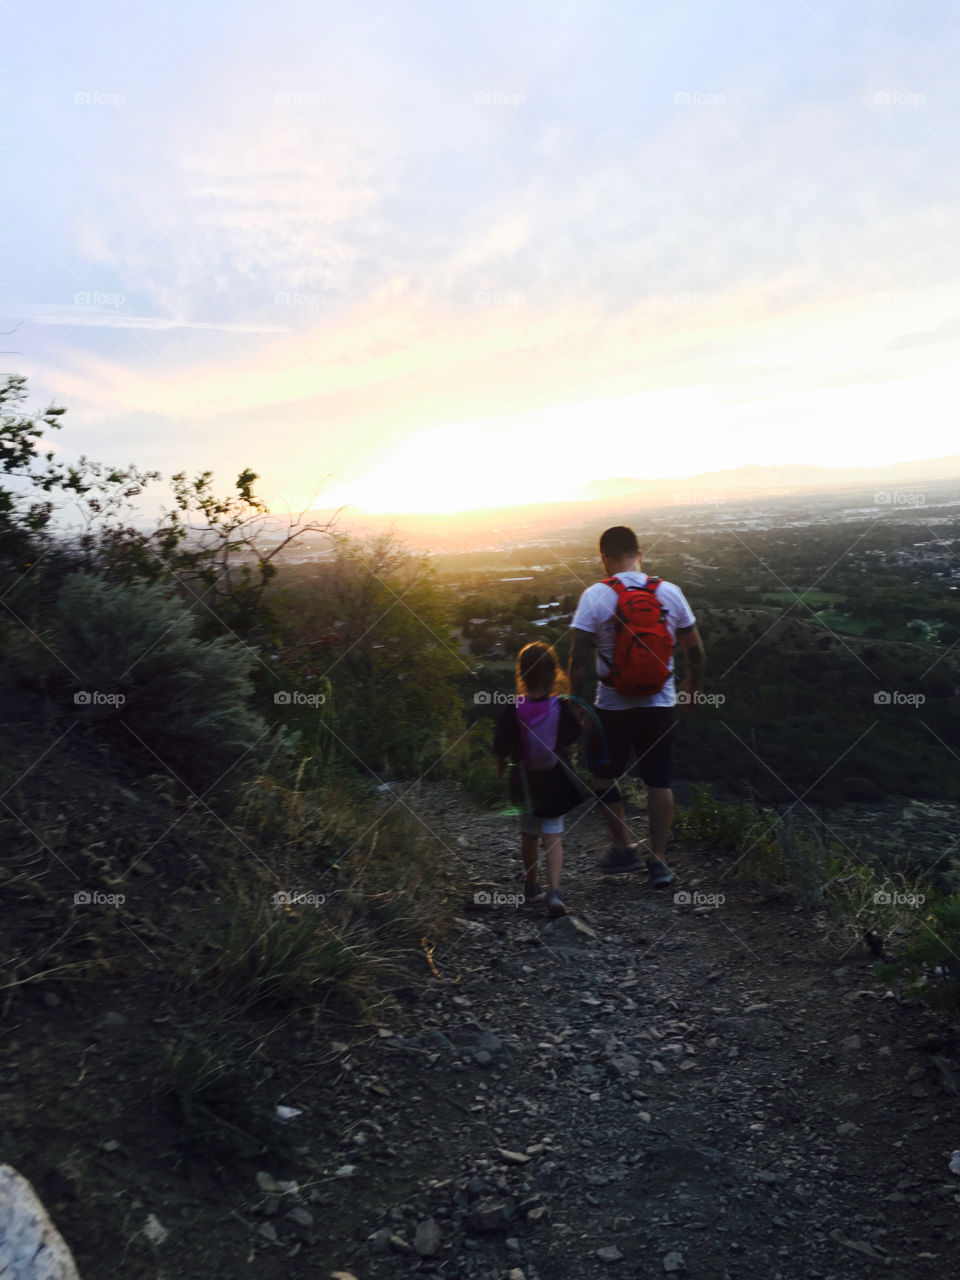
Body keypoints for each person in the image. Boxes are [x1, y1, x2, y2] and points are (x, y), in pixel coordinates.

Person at [568, 525, 705, 886]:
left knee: (602, 774)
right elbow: (695, 650)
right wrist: (692, 687)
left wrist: (577, 704)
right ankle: (658, 861)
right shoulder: (670, 592)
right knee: (658, 781)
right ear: (640, 555)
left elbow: (578, 656)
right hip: (660, 703)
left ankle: (623, 847)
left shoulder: (595, 595)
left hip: (612, 705)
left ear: (604, 558)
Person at [493, 642, 584, 918]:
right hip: (554, 781)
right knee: (553, 835)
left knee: (529, 835)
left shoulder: (513, 708)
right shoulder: (561, 706)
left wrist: (500, 771)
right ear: (553, 673)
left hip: (523, 783)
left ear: (521, 673)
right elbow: (570, 737)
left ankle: (532, 886)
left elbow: (500, 748)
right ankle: (554, 891)